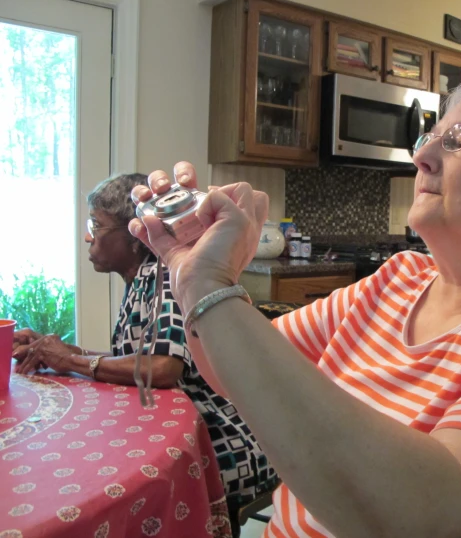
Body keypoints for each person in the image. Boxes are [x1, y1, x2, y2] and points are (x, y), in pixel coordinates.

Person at [130, 72, 461, 538]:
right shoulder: (397, 279)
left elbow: (435, 518)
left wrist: (213, 287)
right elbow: (234, 374)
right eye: (430, 138)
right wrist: (193, 273)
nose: (423, 155)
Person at [12, 173, 277, 537]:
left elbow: (163, 367)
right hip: (200, 434)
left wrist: (71, 362)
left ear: (136, 238)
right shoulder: (141, 280)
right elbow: (142, 356)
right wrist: (57, 350)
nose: (88, 236)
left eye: (97, 226)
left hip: (220, 444)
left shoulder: (165, 276)